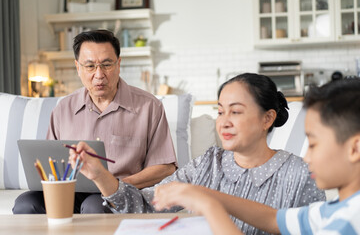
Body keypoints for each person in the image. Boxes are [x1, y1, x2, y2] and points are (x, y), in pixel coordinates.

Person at [65, 73, 325, 233]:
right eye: (220, 111)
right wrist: (100, 175)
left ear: (267, 118)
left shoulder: (300, 174)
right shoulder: (207, 165)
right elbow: (143, 206)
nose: (223, 122)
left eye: (235, 112)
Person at [153, 77, 360, 235]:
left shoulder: (348, 222)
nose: (306, 157)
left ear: (355, 148)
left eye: (313, 144)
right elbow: (272, 218)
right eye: (221, 111)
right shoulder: (331, 211)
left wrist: (209, 205)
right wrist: (202, 194)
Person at [13, 30, 177, 214]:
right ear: (78, 67)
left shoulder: (149, 107)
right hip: (70, 191)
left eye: (106, 65)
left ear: (119, 64)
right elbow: (49, 160)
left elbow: (165, 167)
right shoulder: (63, 108)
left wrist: (113, 184)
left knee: (94, 205)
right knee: (25, 203)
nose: (99, 75)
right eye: (90, 66)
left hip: (117, 193)